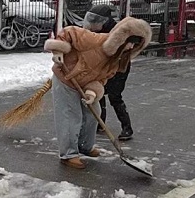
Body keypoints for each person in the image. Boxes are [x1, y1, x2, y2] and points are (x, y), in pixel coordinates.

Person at [45, 17, 151, 169]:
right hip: (65, 79)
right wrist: (58, 50)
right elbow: (69, 32)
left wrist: (91, 93)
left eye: (135, 45)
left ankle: (85, 146)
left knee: (95, 110)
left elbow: (101, 79)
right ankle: (68, 154)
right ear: (121, 37)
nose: (131, 47)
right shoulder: (95, 40)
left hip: (83, 84)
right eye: (130, 41)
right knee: (71, 115)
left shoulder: (115, 61)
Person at [82, 4, 135, 141]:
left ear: (105, 20)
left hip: (119, 68)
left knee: (114, 96)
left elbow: (134, 37)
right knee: (100, 93)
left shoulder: (118, 31)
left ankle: (127, 128)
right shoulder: (97, 32)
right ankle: (100, 123)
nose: (92, 24)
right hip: (103, 66)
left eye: (96, 20)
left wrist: (128, 45)